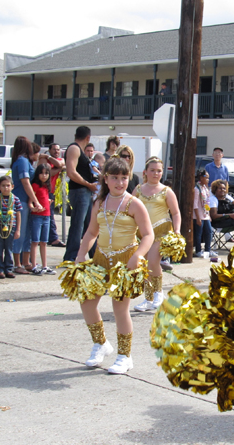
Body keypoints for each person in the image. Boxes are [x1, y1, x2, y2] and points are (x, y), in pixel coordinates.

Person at [78, 157, 154, 374]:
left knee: (120, 308)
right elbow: (92, 232)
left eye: (123, 178)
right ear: (106, 179)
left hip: (125, 261)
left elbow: (148, 235)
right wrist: (81, 254)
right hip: (100, 260)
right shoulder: (99, 203)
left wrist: (138, 255)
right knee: (87, 302)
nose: (119, 182)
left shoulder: (134, 203)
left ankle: (124, 356)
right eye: (114, 178)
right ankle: (101, 344)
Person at [132, 157, 181, 312]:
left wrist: (177, 231)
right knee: (144, 265)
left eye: (159, 170)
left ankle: (158, 293)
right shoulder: (138, 189)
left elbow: (176, 213)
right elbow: (129, 209)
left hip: (161, 230)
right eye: (152, 170)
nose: (156, 173)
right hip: (143, 232)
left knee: (153, 261)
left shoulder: (167, 191)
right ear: (146, 172)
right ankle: (148, 298)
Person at [64, 126, 97, 262]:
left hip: (85, 191)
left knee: (91, 224)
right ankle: (71, 256)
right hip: (79, 191)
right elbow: (71, 172)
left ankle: (95, 255)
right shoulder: (74, 149)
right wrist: (88, 184)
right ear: (88, 138)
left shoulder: (80, 151)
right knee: (78, 224)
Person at [11, 136, 43, 274]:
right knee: (20, 232)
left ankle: (26, 261)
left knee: (27, 233)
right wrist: (35, 200)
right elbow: (25, 182)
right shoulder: (23, 162)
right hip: (21, 201)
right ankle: (17, 264)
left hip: (25, 201)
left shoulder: (22, 161)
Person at [0, 176, 21, 279]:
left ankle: (8, 269)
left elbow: (18, 214)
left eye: (8, 186)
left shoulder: (15, 199)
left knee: (9, 249)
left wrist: (18, 230)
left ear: (12, 186)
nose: (6, 188)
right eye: (3, 186)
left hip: (11, 227)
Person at [29, 164, 55, 275]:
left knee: (44, 242)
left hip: (46, 216)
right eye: (42, 173)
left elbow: (44, 198)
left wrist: (48, 202)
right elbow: (30, 202)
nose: (44, 176)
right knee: (35, 241)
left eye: (46, 173)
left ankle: (44, 265)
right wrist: (34, 208)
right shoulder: (35, 185)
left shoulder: (46, 187)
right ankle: (34, 265)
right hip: (37, 216)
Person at [42, 143, 66, 248]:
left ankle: (50, 237)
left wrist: (48, 157)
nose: (56, 151)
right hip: (44, 191)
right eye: (54, 150)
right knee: (48, 215)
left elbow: (61, 165)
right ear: (49, 150)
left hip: (52, 192)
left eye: (58, 149)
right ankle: (53, 238)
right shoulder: (44, 161)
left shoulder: (58, 159)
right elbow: (49, 173)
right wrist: (58, 168)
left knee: (50, 215)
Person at [193, 168, 215, 258]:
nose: (208, 180)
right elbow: (195, 204)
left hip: (205, 215)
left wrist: (209, 214)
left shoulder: (205, 188)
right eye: (206, 177)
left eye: (208, 178)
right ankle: (198, 250)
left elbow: (207, 203)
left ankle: (207, 250)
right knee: (199, 233)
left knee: (209, 232)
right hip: (198, 216)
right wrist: (198, 218)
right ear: (201, 177)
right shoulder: (197, 189)